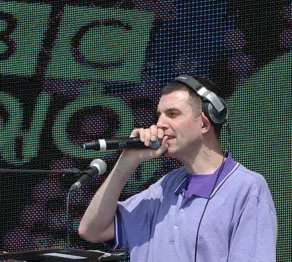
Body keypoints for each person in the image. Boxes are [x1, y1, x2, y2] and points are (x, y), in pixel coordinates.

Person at [78, 75, 277, 261]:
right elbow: (92, 230)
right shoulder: (164, 187)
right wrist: (127, 160)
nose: (160, 124)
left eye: (173, 114)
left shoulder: (247, 187)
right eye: (159, 116)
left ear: (205, 123)